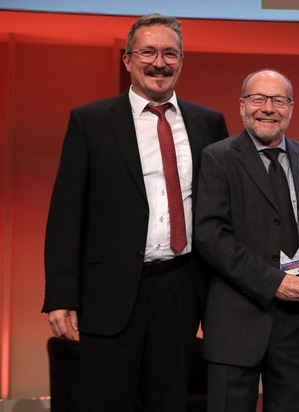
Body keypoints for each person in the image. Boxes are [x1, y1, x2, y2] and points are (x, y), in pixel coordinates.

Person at [42, 13, 229, 412]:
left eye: (170, 54)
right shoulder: (90, 121)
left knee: (169, 402)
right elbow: (65, 214)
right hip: (107, 291)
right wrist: (60, 296)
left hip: (181, 289)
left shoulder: (209, 123)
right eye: (148, 52)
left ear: (181, 61)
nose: (159, 63)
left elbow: (226, 204)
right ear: (128, 60)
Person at [194, 69, 299, 411]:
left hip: (297, 322)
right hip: (236, 318)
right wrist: (273, 283)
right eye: (258, 99)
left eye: (279, 100)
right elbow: (211, 236)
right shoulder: (217, 157)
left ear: (291, 108)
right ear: (242, 105)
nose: (268, 108)